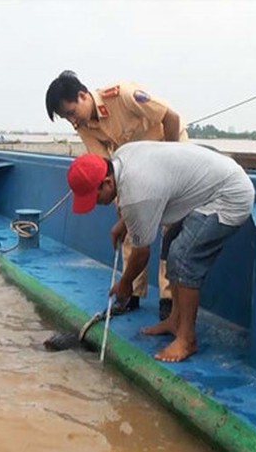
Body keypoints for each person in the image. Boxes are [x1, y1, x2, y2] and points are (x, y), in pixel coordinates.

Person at [65, 141, 255, 362]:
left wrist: (125, 284)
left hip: (229, 196)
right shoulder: (121, 158)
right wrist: (124, 223)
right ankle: (175, 319)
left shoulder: (137, 192)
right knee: (170, 243)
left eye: (94, 197)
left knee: (182, 257)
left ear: (107, 183)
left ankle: (187, 339)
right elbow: (142, 199)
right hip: (208, 188)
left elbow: (141, 253)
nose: (96, 204)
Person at [46, 70, 188, 320]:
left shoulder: (122, 95)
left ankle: (168, 298)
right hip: (133, 170)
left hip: (169, 154)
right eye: (65, 117)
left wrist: (172, 163)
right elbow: (104, 167)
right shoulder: (84, 126)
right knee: (128, 220)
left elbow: (171, 118)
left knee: (171, 227)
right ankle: (131, 292)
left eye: (70, 112)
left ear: (82, 96)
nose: (71, 120)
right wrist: (122, 206)